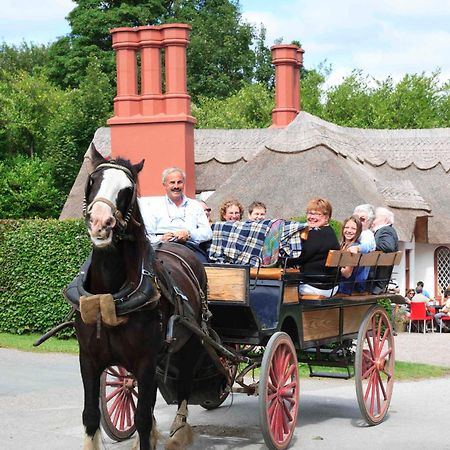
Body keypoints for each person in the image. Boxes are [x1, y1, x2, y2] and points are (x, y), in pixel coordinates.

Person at [139, 167, 212, 262]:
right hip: (162, 248)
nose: (176, 186)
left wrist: (189, 234)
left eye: (179, 182)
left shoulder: (195, 205)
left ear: (184, 183)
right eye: (172, 182)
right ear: (164, 185)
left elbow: (207, 232)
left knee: (205, 270)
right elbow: (147, 235)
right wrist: (161, 239)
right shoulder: (153, 207)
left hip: (190, 249)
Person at [293, 198, 340, 297]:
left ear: (326, 217)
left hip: (317, 287)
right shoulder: (329, 231)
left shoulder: (318, 234)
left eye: (316, 214)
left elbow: (300, 257)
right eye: (310, 213)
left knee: (278, 289)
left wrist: (282, 259)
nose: (311, 217)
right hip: (329, 285)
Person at [369, 207, 399, 294]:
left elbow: (388, 246)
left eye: (375, 218)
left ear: (385, 220)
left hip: (376, 281)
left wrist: (369, 245)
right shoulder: (383, 230)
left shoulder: (386, 230)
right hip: (376, 279)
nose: (372, 221)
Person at [338, 215, 363, 294]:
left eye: (353, 228)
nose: (349, 231)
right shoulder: (342, 245)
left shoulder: (354, 248)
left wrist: (334, 267)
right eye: (346, 227)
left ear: (358, 231)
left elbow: (347, 274)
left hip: (344, 288)